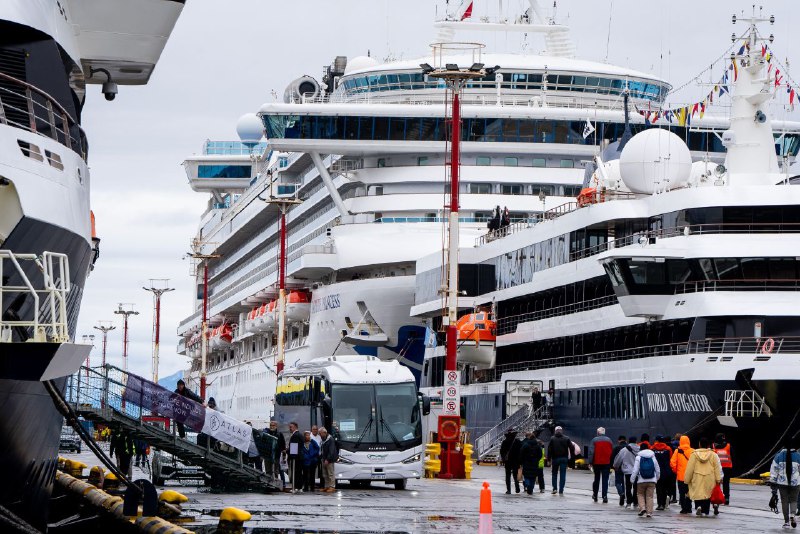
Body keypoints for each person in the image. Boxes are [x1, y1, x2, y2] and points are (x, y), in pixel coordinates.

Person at [684, 436, 722, 517]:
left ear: (699, 444)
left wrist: (687, 480)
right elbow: (717, 468)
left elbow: (690, 468)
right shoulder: (713, 455)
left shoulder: (694, 455)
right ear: (708, 445)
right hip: (710, 477)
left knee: (698, 493)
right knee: (707, 494)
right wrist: (718, 479)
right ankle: (706, 510)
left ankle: (698, 506)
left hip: (697, 477)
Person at [769, 439, 800, 529]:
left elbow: (774, 471)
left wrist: (773, 485)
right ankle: (793, 515)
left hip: (782, 483)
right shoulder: (798, 456)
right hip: (795, 483)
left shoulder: (778, 456)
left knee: (784, 501)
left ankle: (786, 522)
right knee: (794, 500)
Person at [631, 442, 660, 518]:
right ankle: (649, 513)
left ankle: (642, 508)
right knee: (649, 496)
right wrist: (657, 478)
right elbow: (657, 469)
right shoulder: (653, 457)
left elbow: (635, 470)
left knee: (640, 494)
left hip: (641, 480)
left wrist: (632, 479)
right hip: (652, 480)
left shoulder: (638, 457)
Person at [588, 427, 614, 503]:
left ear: (598, 433)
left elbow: (591, 452)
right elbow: (611, 452)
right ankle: (605, 496)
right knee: (605, 480)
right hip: (606, 463)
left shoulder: (594, 440)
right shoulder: (609, 440)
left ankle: (595, 495)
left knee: (596, 479)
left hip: (597, 463)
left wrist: (590, 462)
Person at [670, 435, 695, 514]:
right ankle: (689, 507)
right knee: (689, 492)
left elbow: (672, 463)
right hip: (690, 476)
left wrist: (676, 471)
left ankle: (683, 508)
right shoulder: (693, 451)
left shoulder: (677, 451)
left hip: (681, 476)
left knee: (682, 493)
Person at [613, 436, 639, 508]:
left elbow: (618, 459)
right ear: (636, 441)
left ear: (629, 441)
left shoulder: (624, 450)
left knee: (628, 487)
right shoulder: (640, 449)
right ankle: (636, 502)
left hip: (628, 471)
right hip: (637, 471)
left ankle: (629, 503)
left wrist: (616, 466)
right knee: (636, 487)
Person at [547, 426, 574, 495]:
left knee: (554, 474)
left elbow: (549, 450)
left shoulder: (552, 438)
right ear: (561, 431)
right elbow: (571, 448)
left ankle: (555, 488)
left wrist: (548, 459)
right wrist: (571, 458)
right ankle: (561, 490)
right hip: (564, 459)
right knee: (563, 474)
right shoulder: (567, 438)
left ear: (555, 431)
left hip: (555, 458)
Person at [651, 436, 674, 511]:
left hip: (656, 471)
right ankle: (664, 503)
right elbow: (671, 459)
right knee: (664, 487)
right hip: (666, 471)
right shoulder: (668, 449)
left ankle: (659, 504)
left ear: (657, 440)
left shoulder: (652, 449)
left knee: (658, 488)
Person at [265, 420, 286, 488]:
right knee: (268, 470)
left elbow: (283, 444)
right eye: (271, 425)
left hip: (276, 454)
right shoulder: (267, 433)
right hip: (267, 454)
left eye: (273, 425)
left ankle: (275, 483)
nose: (272, 427)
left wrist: (284, 453)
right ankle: (268, 483)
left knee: (276, 470)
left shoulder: (279, 434)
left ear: (276, 426)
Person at [500, 429, 522, 494]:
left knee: (508, 475)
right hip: (516, 461)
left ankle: (508, 490)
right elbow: (520, 452)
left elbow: (502, 451)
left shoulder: (505, 442)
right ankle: (517, 487)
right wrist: (520, 461)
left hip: (508, 461)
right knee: (515, 475)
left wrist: (503, 459)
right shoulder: (518, 442)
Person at [713, 433, 733, 505]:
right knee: (726, 483)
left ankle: (717, 497)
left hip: (717, 467)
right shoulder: (728, 446)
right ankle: (726, 498)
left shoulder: (714, 446)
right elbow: (732, 454)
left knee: (716, 483)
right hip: (727, 467)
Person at [611, 436, 629, 506]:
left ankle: (621, 493)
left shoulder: (616, 448)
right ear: (626, 440)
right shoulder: (628, 448)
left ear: (619, 441)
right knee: (625, 483)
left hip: (618, 468)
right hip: (627, 468)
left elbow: (612, 458)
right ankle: (624, 495)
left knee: (618, 482)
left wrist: (612, 467)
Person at [319, 427, 338, 492]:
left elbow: (331, 450)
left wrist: (328, 459)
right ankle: (326, 486)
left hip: (329, 459)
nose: (320, 435)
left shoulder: (330, 439)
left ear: (324, 433)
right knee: (325, 474)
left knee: (330, 473)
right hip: (323, 459)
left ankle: (332, 486)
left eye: (320, 433)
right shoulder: (323, 440)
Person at [287, 422, 304, 493]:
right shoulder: (299, 434)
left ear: (295, 427)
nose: (290, 429)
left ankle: (296, 487)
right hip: (299, 457)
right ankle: (299, 487)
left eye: (291, 427)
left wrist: (287, 451)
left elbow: (294, 447)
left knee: (296, 472)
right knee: (298, 472)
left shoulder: (295, 435)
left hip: (296, 457)